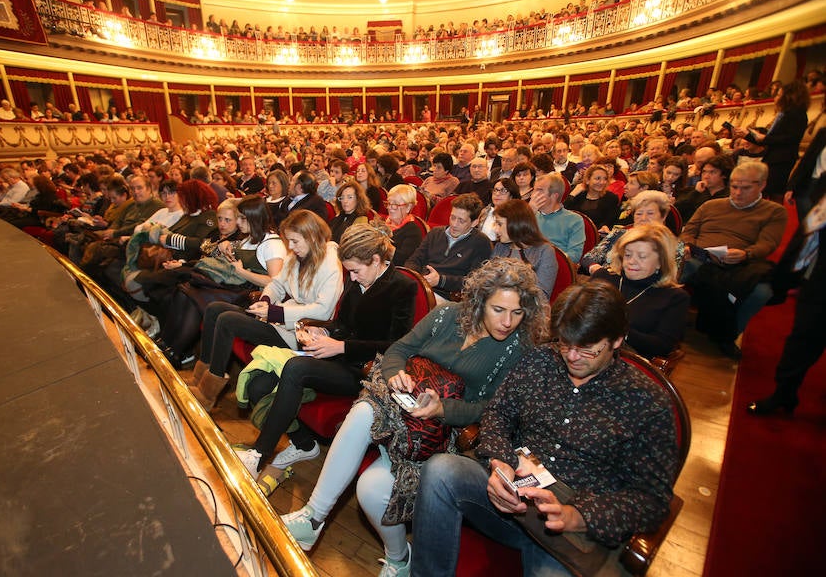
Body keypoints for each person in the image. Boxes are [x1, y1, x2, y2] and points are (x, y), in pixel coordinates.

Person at [281, 257, 549, 574]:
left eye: (517, 312)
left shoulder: (516, 348)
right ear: (479, 302)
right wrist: (395, 374)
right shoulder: (446, 315)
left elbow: (492, 411)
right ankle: (314, 516)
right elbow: (398, 350)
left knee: (370, 490)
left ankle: (398, 559)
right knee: (367, 409)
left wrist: (442, 409)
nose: (508, 321)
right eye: (499, 310)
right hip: (401, 410)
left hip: (443, 436)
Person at [412, 280, 678, 576]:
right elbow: (498, 413)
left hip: (570, 526)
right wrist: (501, 462)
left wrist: (578, 516)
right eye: (565, 343)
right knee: (440, 470)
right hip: (513, 499)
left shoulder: (646, 401)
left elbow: (652, 500)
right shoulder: (541, 360)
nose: (572, 356)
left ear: (617, 340)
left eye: (587, 349)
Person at [236, 223, 417, 474]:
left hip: (364, 371)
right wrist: (323, 331)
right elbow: (341, 322)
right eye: (349, 271)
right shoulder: (358, 278)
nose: (351, 278)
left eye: (355, 271)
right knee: (259, 383)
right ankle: (303, 444)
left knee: (295, 367)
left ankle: (259, 455)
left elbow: (396, 346)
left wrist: (341, 346)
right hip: (337, 356)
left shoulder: (403, 287)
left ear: (376, 260)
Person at [190, 210, 342, 410]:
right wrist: (266, 300)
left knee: (228, 320)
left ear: (311, 236)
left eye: (295, 241)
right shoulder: (298, 255)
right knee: (214, 309)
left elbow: (323, 312)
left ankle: (208, 394)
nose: (292, 247)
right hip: (279, 318)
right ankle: (200, 379)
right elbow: (277, 283)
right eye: (289, 241)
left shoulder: (330, 264)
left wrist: (275, 313)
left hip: (298, 332)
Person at [155, 195, 286, 367]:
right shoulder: (248, 238)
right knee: (185, 291)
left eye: (241, 218)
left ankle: (176, 352)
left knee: (195, 298)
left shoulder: (272, 244)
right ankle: (167, 343)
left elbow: (274, 283)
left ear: (253, 218)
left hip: (252, 296)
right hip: (235, 287)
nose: (237, 222)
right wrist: (226, 249)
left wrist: (241, 271)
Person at [680, 161, 787, 358]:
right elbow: (690, 230)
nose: (737, 193)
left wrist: (745, 253)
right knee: (680, 266)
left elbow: (767, 243)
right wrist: (688, 246)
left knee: (762, 292)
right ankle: (665, 321)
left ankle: (728, 335)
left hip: (740, 263)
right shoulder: (711, 205)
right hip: (700, 257)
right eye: (734, 186)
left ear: (761, 185)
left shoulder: (773, 211)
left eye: (745, 188)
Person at [748, 189, 826, 416]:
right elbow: (808, 235)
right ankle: (784, 392)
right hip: (820, 280)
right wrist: (786, 278)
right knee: (803, 337)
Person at [591, 224, 690, 359]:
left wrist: (621, 331)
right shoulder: (603, 277)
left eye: (642, 256)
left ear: (660, 262)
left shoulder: (674, 297)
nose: (632, 261)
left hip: (628, 362)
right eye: (628, 255)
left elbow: (663, 346)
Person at [405, 193, 492, 303]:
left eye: (461, 220)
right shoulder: (435, 233)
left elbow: (475, 281)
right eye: (452, 217)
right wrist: (415, 277)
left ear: (474, 223)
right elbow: (414, 260)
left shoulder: (481, 243)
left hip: (448, 296)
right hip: (421, 286)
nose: (454, 224)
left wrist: (440, 281)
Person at [734, 80, 810, 198]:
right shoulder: (784, 114)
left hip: (781, 160)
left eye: (779, 94)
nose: (776, 97)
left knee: (769, 194)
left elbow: (789, 139)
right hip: (774, 158)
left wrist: (763, 137)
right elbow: (766, 140)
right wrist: (747, 135)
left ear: (788, 96)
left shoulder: (796, 113)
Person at [580, 190, 685, 275]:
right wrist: (595, 268)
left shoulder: (674, 245)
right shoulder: (619, 234)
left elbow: (668, 276)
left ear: (663, 217)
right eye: (639, 213)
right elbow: (588, 258)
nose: (643, 218)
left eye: (650, 213)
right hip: (603, 283)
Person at [492, 199, 556, 299]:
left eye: (499, 224)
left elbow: (541, 295)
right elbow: (488, 280)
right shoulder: (500, 247)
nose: (495, 229)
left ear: (515, 224)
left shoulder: (544, 251)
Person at [530, 172, 585, 262]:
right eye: (533, 190)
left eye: (539, 190)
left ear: (554, 196)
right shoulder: (531, 215)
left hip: (555, 267)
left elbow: (574, 255)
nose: (533, 195)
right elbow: (514, 243)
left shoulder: (574, 220)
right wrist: (529, 214)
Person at [674, 153, 732, 223]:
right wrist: (695, 193)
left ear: (724, 175)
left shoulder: (730, 196)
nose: (706, 176)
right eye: (704, 172)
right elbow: (676, 211)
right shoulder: (692, 191)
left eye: (712, 172)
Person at [564, 163, 620, 230]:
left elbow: (609, 222)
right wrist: (572, 195)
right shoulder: (577, 194)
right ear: (587, 180)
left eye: (605, 179)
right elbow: (562, 213)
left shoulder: (611, 198)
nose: (602, 182)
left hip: (596, 235)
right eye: (598, 178)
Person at [384, 184, 424, 266]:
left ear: (408, 207)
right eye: (388, 203)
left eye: (395, 204)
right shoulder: (383, 223)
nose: (390, 208)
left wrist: (382, 242)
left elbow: (402, 261)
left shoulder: (413, 231)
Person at [477, 177, 519, 241]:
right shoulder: (485, 211)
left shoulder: (515, 215)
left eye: (503, 190)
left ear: (511, 196)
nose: (497, 194)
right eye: (495, 190)